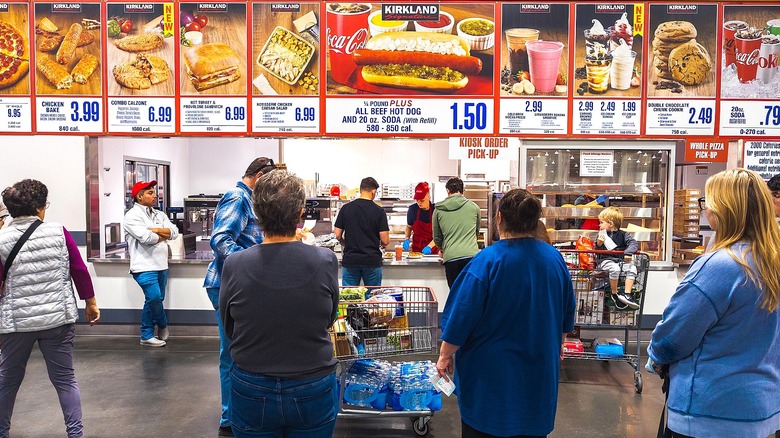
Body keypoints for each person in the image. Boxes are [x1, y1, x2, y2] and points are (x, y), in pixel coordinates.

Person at [647, 169, 780, 438]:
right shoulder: (771, 261)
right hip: (762, 410)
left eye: (707, 202)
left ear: (722, 209)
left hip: (708, 411)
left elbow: (674, 337)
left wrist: (655, 358)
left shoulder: (721, 266)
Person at [436, 188, 576, 438]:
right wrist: (560, 343)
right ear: (535, 222)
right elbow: (567, 312)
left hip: (490, 384)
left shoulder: (486, 262)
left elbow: (461, 317)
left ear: (499, 219)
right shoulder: (554, 260)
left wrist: (445, 356)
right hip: (538, 375)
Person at [220, 171, 339, 437]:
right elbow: (329, 317)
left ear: (257, 214)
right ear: (300, 215)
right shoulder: (325, 260)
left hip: (251, 383)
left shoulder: (235, 264)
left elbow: (230, 328)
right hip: (312, 382)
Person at [0, 179, 100, 438]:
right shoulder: (58, 232)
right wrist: (90, 302)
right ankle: (75, 434)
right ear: (41, 208)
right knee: (65, 380)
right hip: (57, 320)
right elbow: (78, 269)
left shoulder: (1, 239)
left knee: (7, 381)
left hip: (16, 323)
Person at [203, 157, 276, 437]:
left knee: (243, 350)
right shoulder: (238, 198)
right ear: (258, 176)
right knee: (232, 354)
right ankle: (229, 418)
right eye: (268, 185)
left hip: (241, 284)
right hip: (226, 285)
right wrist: (254, 265)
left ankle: (242, 411)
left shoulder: (250, 200)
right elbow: (221, 241)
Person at [123, 180, 178, 347]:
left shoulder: (159, 215)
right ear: (140, 196)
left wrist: (156, 230)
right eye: (150, 193)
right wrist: (162, 234)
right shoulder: (132, 216)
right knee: (154, 297)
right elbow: (147, 239)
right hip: (144, 266)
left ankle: (146, 334)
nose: (155, 195)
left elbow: (174, 232)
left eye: (154, 192)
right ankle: (162, 324)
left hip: (161, 264)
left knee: (154, 299)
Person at [333, 177, 390, 286]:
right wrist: (382, 244)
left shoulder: (346, 208)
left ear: (360, 190)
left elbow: (337, 234)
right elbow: (385, 239)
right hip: (372, 261)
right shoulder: (379, 211)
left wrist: (345, 242)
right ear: (373, 192)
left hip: (351, 260)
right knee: (372, 298)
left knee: (350, 297)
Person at [432, 177, 480, 288]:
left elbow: (437, 237)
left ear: (448, 190)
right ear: (463, 191)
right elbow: (476, 232)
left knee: (455, 295)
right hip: (471, 257)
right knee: (471, 293)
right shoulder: (474, 207)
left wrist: (444, 249)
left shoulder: (438, 210)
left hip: (451, 258)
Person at [594, 206, 639, 310]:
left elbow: (633, 243)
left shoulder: (624, 235)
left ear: (610, 223)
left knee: (632, 268)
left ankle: (627, 295)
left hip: (620, 260)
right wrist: (599, 244)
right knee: (615, 269)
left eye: (601, 222)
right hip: (605, 261)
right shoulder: (601, 235)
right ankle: (614, 293)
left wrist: (628, 253)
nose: (599, 225)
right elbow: (596, 250)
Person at [403, 182, 438, 255]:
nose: (419, 203)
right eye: (417, 200)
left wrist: (430, 246)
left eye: (421, 200)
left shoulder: (436, 210)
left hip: (433, 250)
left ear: (428, 196)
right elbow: (409, 226)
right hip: (416, 249)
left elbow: (440, 234)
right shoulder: (412, 209)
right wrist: (407, 238)